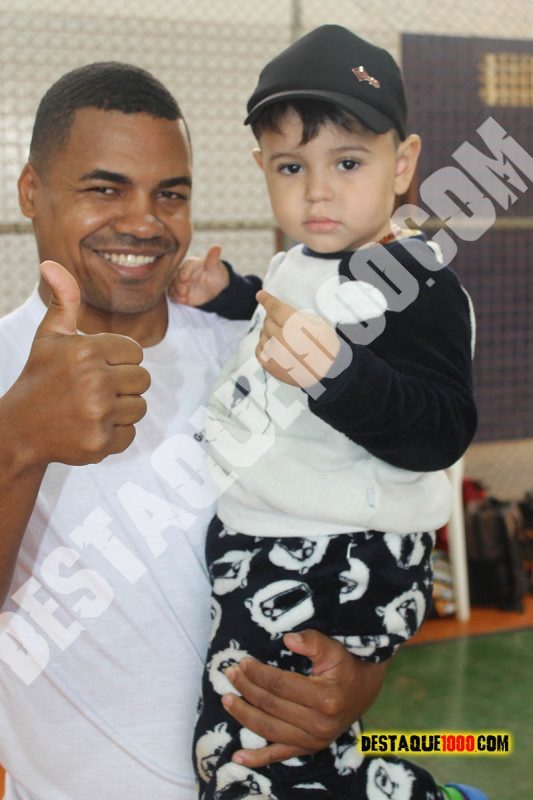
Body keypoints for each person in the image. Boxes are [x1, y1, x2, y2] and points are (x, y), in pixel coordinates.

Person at [0, 62, 389, 800]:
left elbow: (362, 536)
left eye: (170, 195)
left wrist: (362, 674)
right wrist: (16, 442)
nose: (144, 222)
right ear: (30, 191)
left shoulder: (254, 352)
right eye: (104, 189)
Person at [174, 25, 485, 800]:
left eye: (347, 163)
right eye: (291, 166)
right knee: (259, 751)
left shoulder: (415, 282)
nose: (316, 191)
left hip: (334, 554)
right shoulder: (305, 260)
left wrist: (339, 378)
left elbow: (440, 428)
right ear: (262, 169)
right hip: (279, 542)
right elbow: (288, 301)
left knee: (244, 760)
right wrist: (230, 293)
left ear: (402, 165)